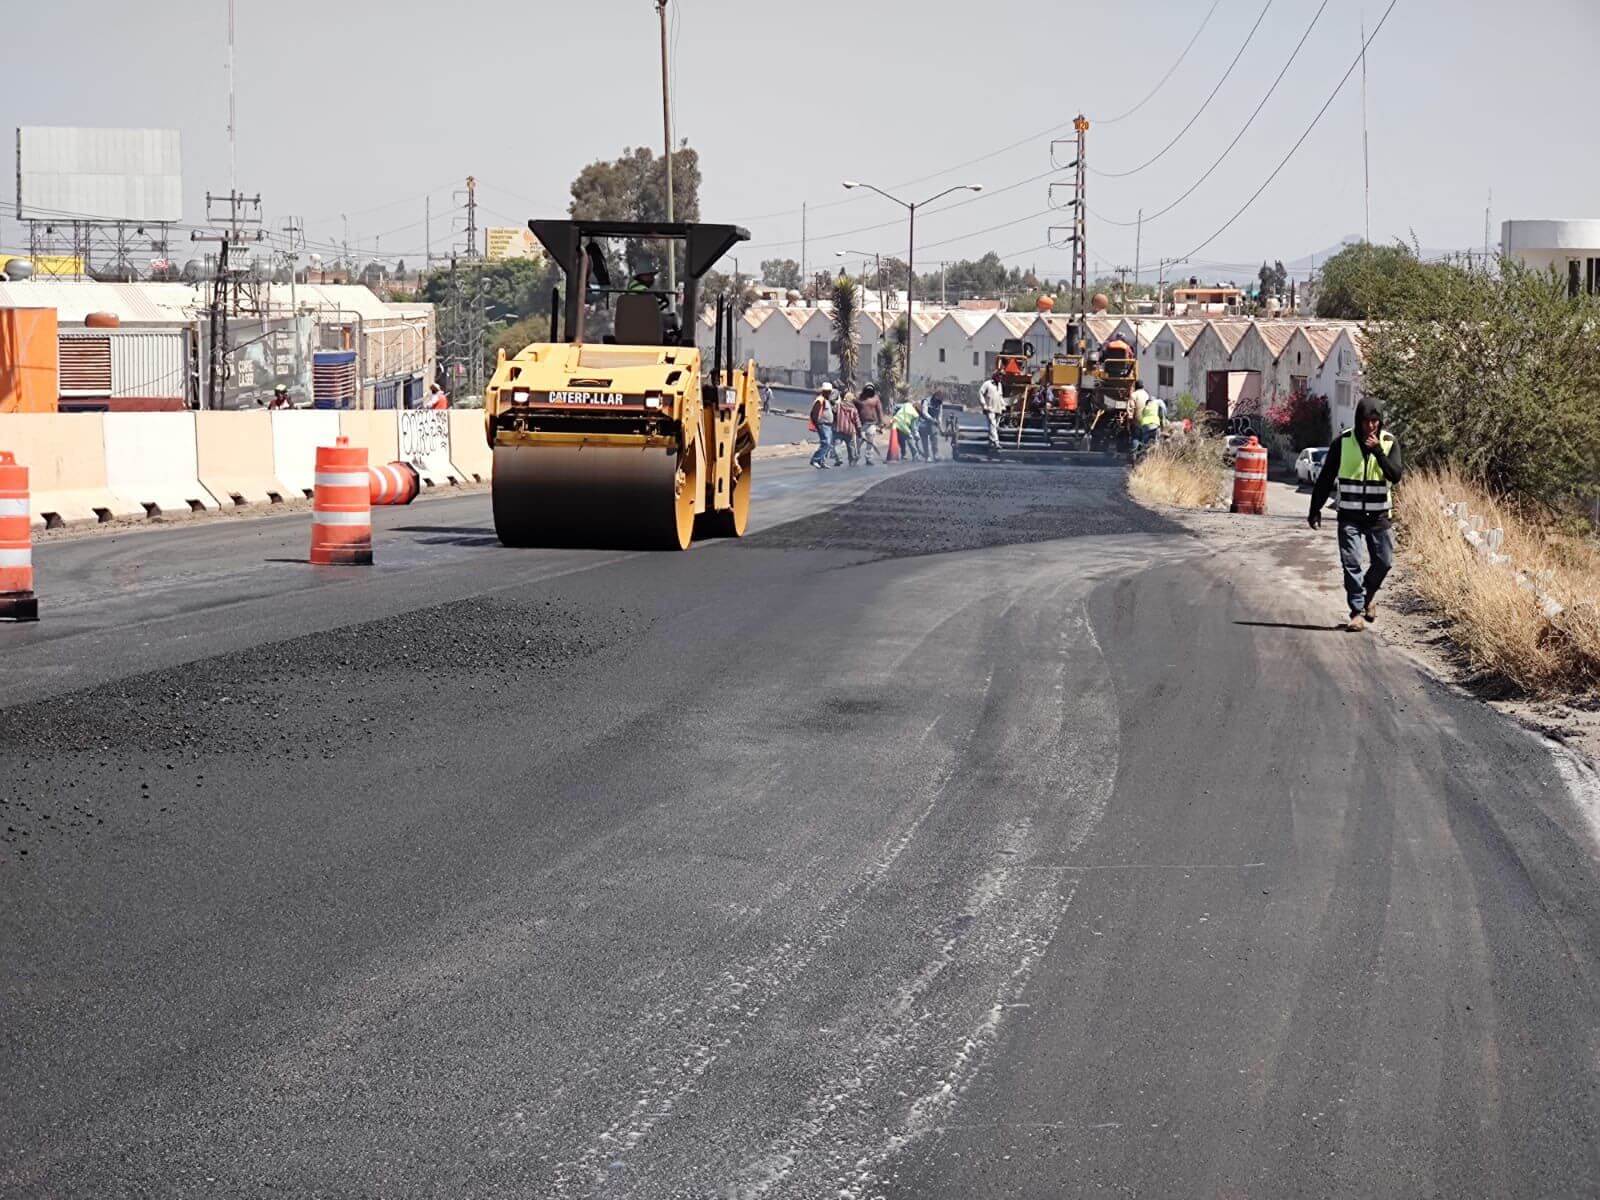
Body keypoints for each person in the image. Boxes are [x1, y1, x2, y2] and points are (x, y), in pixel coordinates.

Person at [1308, 398, 1405, 632]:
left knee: (1384, 562)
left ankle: (1368, 595)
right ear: (1358, 420)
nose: (1371, 426)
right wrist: (1315, 508)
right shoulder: (1342, 442)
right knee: (1351, 563)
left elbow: (1396, 475)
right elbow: (1325, 478)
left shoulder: (1389, 443)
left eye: (1375, 421)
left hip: (1379, 515)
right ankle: (1356, 612)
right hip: (1350, 515)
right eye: (1366, 421)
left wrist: (1379, 452)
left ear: (1380, 421)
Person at [809, 381, 837, 470]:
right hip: (823, 425)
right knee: (826, 443)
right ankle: (815, 460)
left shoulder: (827, 400)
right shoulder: (820, 400)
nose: (829, 393)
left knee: (828, 444)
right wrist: (818, 424)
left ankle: (821, 461)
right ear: (824, 391)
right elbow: (814, 414)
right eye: (828, 391)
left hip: (828, 425)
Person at [855, 384, 883, 465]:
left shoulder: (875, 398)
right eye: (867, 390)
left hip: (871, 424)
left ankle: (869, 458)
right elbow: (854, 409)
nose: (869, 392)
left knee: (870, 442)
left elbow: (879, 410)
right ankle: (855, 457)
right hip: (861, 424)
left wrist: (881, 423)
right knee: (858, 442)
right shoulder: (859, 397)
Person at [979, 370, 1006, 451]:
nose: (1001, 377)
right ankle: (996, 442)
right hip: (990, 408)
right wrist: (984, 405)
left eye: (1001, 376)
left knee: (994, 427)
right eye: (999, 375)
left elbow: (1000, 396)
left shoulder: (1000, 385)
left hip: (998, 408)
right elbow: (980, 393)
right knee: (992, 424)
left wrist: (1003, 406)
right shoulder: (987, 384)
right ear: (995, 376)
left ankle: (991, 442)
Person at [833, 388, 861, 465]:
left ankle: (839, 458)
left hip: (839, 428)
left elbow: (833, 412)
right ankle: (851, 460)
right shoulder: (854, 409)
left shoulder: (838, 405)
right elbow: (857, 421)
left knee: (837, 444)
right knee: (850, 446)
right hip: (849, 430)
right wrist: (859, 430)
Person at [1133, 384, 1163, 449]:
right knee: (1156, 441)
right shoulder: (1157, 402)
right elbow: (1163, 410)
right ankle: (1156, 453)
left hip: (1145, 426)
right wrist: (1163, 420)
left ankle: (1143, 453)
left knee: (1145, 442)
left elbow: (1142, 416)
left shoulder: (1145, 408)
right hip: (1155, 425)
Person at [919, 392, 943, 462]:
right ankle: (927, 456)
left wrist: (939, 424)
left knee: (935, 438)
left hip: (933, 423)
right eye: (937, 401)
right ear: (934, 397)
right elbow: (924, 412)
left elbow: (940, 414)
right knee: (925, 440)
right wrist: (932, 419)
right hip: (924, 422)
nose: (938, 404)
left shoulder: (940, 403)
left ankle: (936, 455)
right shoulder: (926, 401)